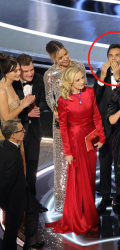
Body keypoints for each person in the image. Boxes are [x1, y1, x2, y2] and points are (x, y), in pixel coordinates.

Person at [45, 65, 106, 235]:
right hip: (75, 141)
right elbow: (63, 128)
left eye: (82, 78)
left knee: (90, 176)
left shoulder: (89, 92)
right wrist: (68, 152)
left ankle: (87, 212)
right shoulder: (63, 101)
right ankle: (80, 217)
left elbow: (96, 115)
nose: (82, 81)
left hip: (90, 139)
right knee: (79, 179)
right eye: (78, 79)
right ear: (70, 82)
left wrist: (101, 136)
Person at [44, 40, 87, 213]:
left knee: (81, 159)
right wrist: (56, 110)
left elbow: (83, 90)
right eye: (60, 57)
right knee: (62, 161)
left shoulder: (79, 66)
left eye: (66, 54)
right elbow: (49, 97)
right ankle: (62, 203)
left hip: (79, 120)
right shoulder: (50, 75)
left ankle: (81, 197)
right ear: (53, 58)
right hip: (61, 122)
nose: (65, 59)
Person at [93, 43, 120, 215]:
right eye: (111, 56)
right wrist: (102, 77)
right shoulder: (102, 74)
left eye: (117, 55)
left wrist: (119, 77)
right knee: (105, 164)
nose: (113, 59)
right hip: (105, 127)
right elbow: (95, 97)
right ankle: (106, 197)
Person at [0, 119, 44, 250]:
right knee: (11, 232)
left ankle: (30, 243)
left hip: (22, 190)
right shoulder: (13, 155)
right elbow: (7, 182)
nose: (24, 131)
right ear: (13, 135)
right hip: (15, 199)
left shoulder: (4, 145)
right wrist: (3, 203)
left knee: (34, 208)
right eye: (21, 130)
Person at [14, 54, 48, 213]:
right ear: (18, 70)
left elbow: (45, 100)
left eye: (32, 69)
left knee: (33, 167)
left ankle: (32, 201)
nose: (30, 74)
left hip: (34, 131)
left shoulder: (40, 79)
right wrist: (26, 114)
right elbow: (6, 111)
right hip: (16, 133)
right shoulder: (10, 83)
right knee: (18, 168)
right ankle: (17, 202)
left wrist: (37, 109)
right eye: (26, 71)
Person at [0, 57, 35, 167]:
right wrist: (23, 105)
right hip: (8, 136)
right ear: (5, 73)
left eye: (19, 70)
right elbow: (6, 118)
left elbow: (12, 105)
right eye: (15, 71)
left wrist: (24, 101)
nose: (18, 73)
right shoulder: (1, 90)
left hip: (18, 132)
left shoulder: (11, 85)